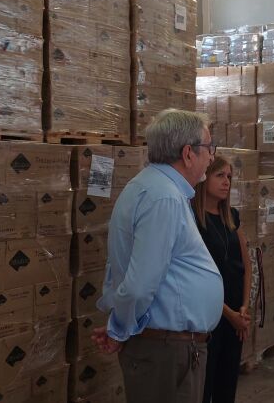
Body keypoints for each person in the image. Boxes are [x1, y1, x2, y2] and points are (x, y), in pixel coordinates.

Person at [92, 109, 223, 403]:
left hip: (166, 347)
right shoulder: (163, 197)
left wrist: (119, 327)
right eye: (209, 148)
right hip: (165, 351)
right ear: (188, 153)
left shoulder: (156, 188)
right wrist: (119, 329)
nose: (211, 157)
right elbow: (139, 285)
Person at [192, 156, 252, 403]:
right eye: (220, 176)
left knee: (227, 386)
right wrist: (230, 314)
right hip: (209, 316)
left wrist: (244, 309)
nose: (226, 182)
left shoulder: (232, 217)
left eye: (229, 177)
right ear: (204, 178)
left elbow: (246, 265)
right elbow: (196, 277)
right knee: (205, 385)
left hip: (236, 316)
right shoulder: (193, 220)